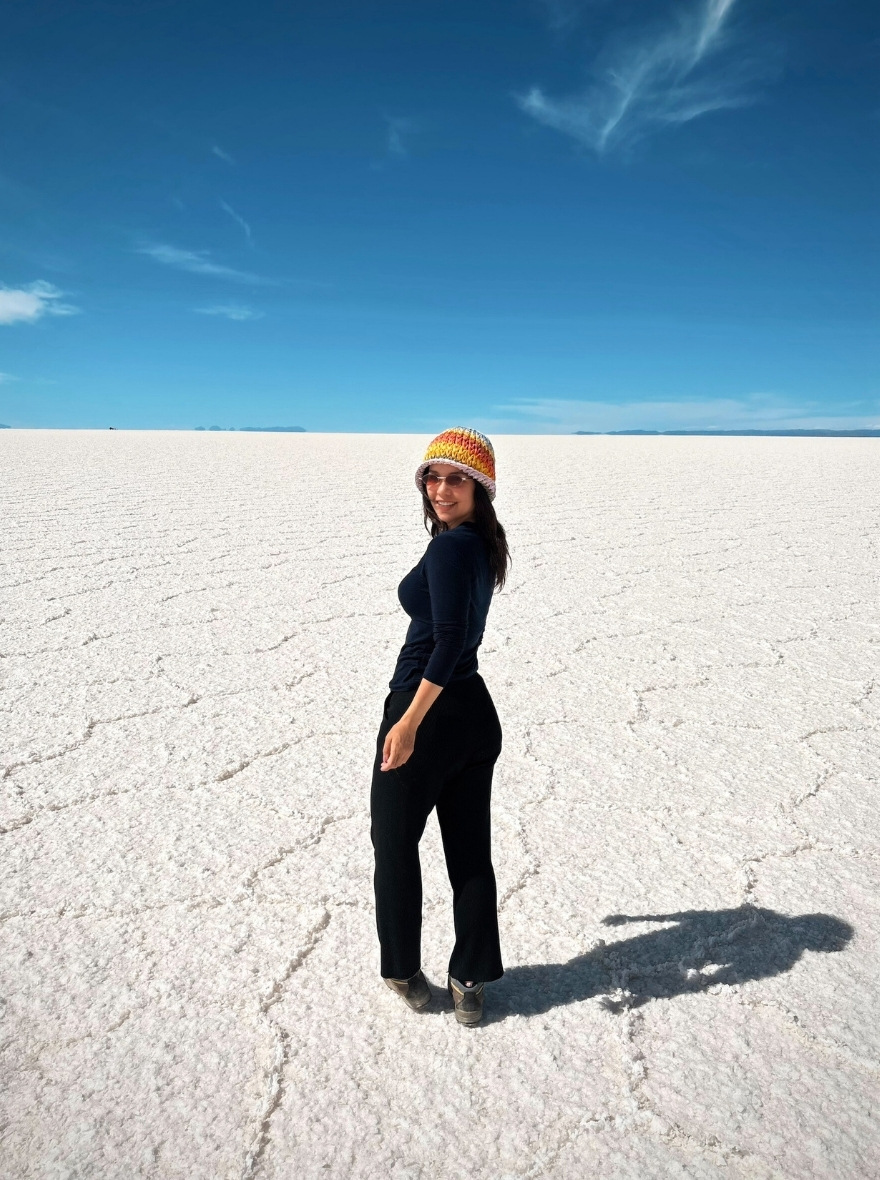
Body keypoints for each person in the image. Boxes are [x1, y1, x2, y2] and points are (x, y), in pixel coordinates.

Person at [370, 426, 511, 1026]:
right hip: (474, 716)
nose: (442, 489)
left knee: (395, 846)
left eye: (458, 479)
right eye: (434, 475)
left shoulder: (451, 548)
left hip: (425, 709)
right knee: (470, 852)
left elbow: (449, 640)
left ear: (482, 489)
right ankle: (470, 978)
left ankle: (402, 969)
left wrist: (406, 725)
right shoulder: (478, 544)